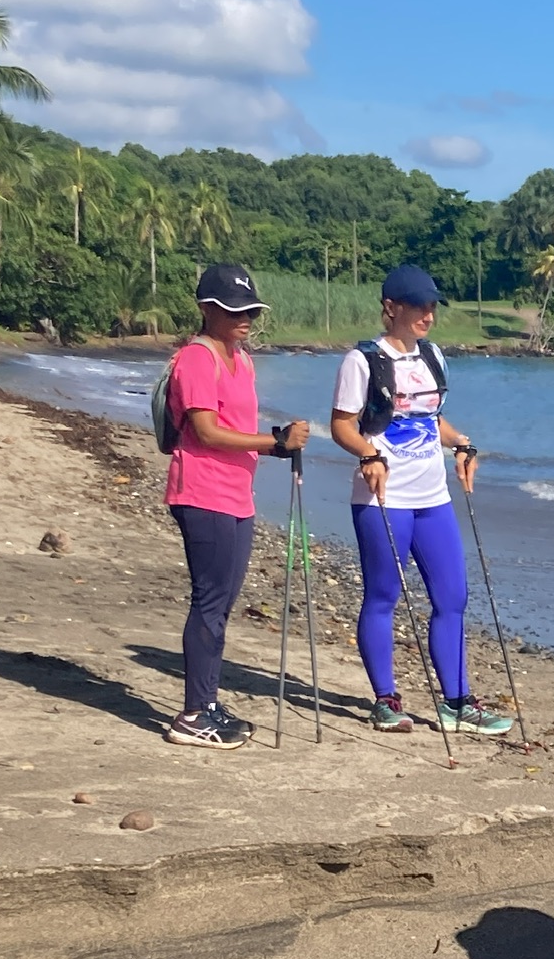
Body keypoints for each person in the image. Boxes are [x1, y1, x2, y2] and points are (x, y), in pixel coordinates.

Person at [327, 264, 513, 737]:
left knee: (453, 597)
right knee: (385, 596)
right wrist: (369, 452)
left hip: (433, 497)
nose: (428, 315)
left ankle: (457, 703)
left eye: (432, 307)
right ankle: (386, 700)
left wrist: (464, 444)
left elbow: (433, 421)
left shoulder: (432, 356)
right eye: (418, 307)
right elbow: (343, 424)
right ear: (392, 308)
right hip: (382, 498)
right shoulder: (362, 360)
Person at [162, 263, 308, 748]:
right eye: (233, 310)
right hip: (202, 492)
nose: (244, 318)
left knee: (222, 604)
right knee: (209, 602)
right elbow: (205, 431)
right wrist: (274, 442)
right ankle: (192, 714)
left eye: (250, 309)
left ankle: (206, 702)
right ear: (207, 309)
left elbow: (239, 421)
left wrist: (275, 438)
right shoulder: (196, 359)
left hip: (236, 494)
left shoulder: (241, 358)